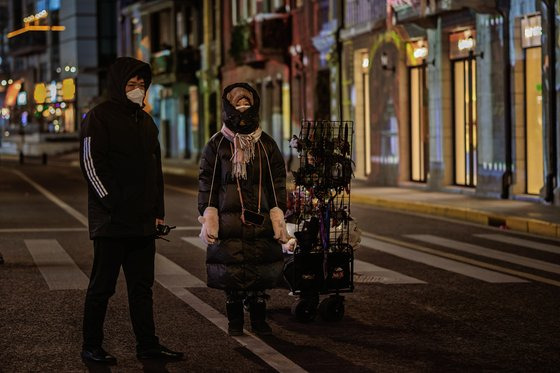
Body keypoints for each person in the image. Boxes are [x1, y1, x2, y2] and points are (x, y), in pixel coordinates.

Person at [79, 57, 183, 364]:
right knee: (102, 287)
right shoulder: (99, 117)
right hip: (111, 222)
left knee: (142, 289)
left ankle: (148, 346)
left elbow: (156, 170)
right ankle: (91, 345)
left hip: (141, 222)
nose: (138, 90)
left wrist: (157, 210)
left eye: (142, 85)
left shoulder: (146, 121)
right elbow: (91, 165)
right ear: (117, 86)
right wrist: (112, 202)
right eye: (131, 84)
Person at [198, 83, 289, 336]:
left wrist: (279, 211)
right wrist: (208, 212)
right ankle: (235, 321)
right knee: (233, 273)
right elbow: (208, 181)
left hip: (260, 218)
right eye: (237, 103)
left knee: (259, 272)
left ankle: (259, 321)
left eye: (246, 102)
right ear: (228, 106)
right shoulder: (217, 145)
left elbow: (277, 181)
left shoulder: (266, 144)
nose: (242, 107)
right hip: (229, 220)